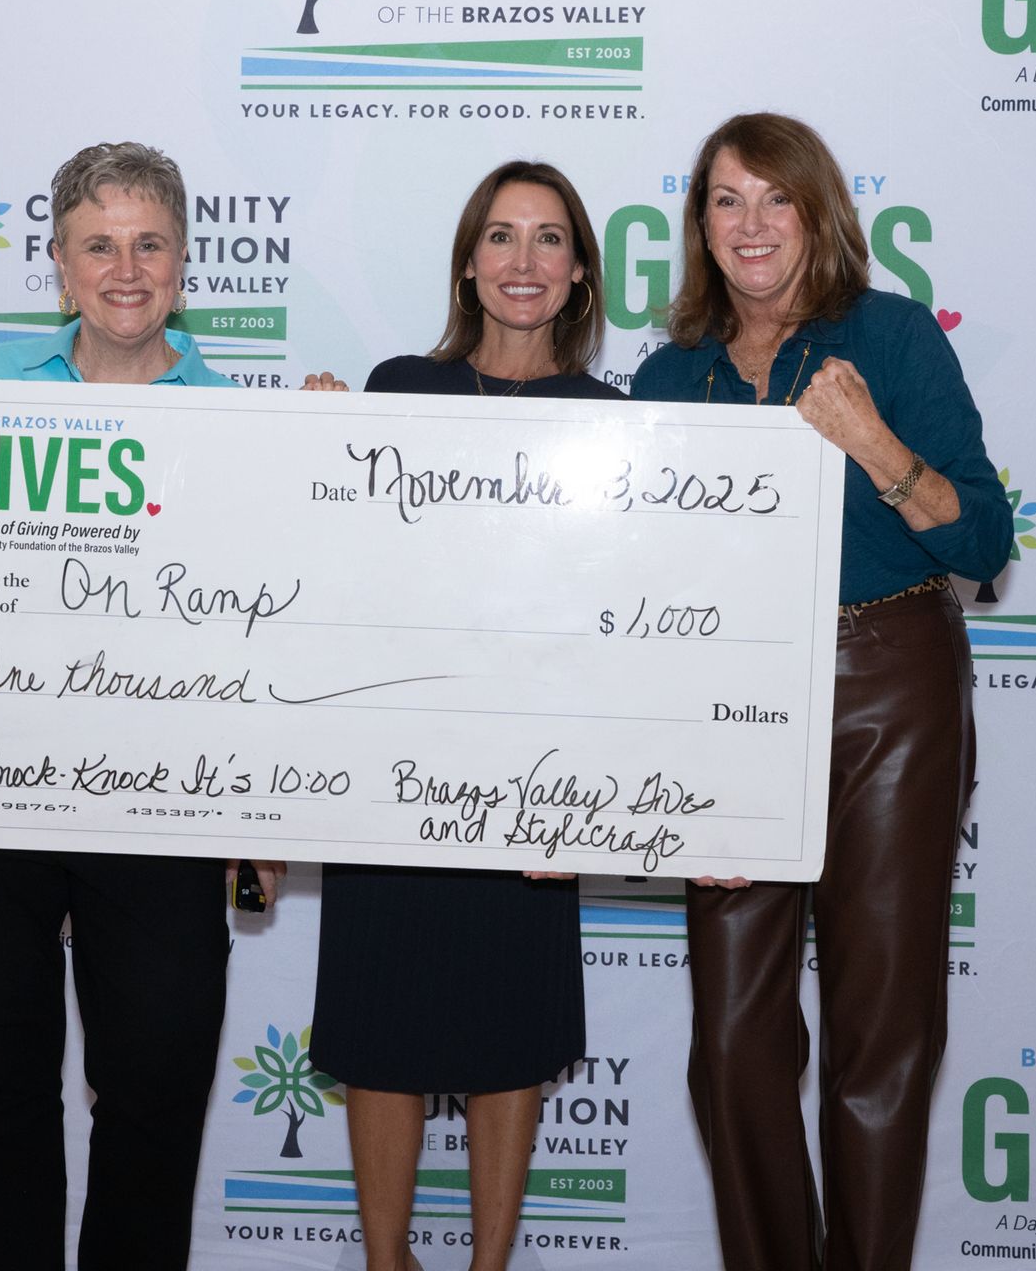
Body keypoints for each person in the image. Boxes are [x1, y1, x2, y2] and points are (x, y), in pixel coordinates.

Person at [0, 141, 339, 1270]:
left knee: (157, 1083)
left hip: (159, 793)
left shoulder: (239, 418)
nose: (126, 270)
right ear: (61, 268)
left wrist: (328, 457)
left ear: (184, 263)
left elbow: (276, 625)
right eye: (99, 246)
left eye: (149, 244)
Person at [631, 113, 1013, 1271]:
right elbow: (639, 580)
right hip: (729, 700)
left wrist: (874, 443)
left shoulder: (889, 336)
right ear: (700, 225)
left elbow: (983, 540)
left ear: (819, 212)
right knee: (730, 1037)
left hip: (887, 686)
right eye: (726, 200)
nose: (751, 224)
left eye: (775, 198)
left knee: (878, 1030)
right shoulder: (669, 374)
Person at [309, 160, 621, 1271]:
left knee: (509, 1026)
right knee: (380, 1020)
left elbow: (624, 614)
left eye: (549, 239)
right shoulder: (397, 388)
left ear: (579, 273)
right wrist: (312, 451)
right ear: (467, 264)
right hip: (392, 755)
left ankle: (492, 1265)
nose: (523, 261)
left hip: (537, 768)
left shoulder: (616, 423)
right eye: (501, 236)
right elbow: (337, 569)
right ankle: (384, 1262)